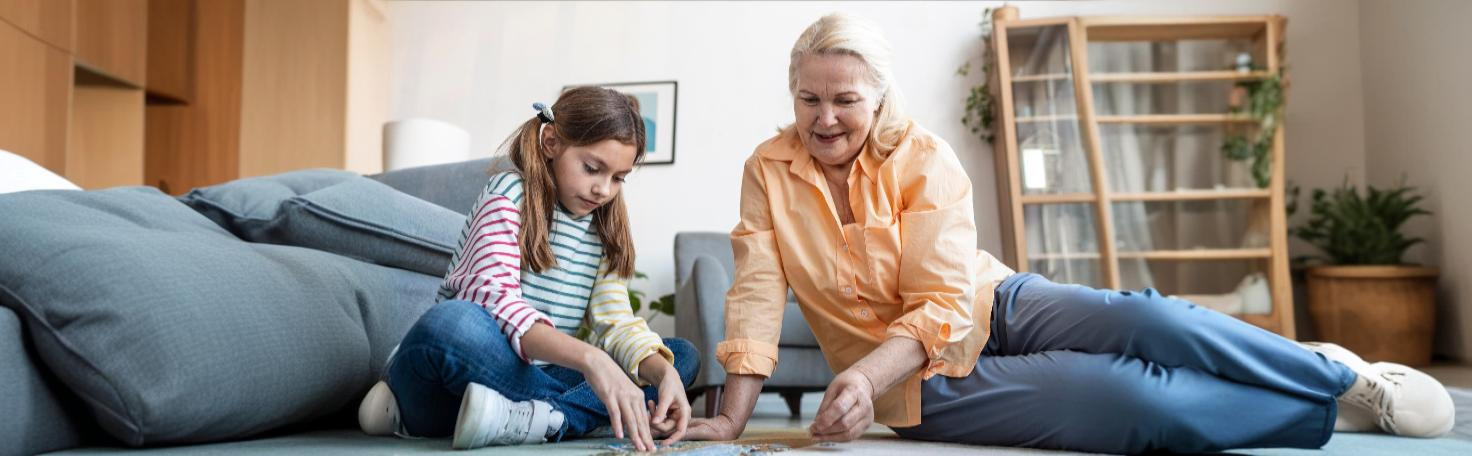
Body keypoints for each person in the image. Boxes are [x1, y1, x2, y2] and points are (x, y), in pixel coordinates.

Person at [685, 13, 1455, 454]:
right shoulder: (769, 167)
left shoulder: (924, 157)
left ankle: (1333, 373)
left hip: (987, 304)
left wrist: (861, 372)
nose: (823, 119)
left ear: (878, 99)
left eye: (843, 100)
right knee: (1126, 403)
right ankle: (1322, 409)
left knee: (1144, 319)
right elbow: (756, 290)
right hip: (918, 385)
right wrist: (733, 415)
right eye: (807, 98)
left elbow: (946, 297)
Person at [356, 86, 698, 452]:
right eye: (592, 168)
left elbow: (616, 323)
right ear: (551, 142)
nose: (603, 190)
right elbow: (493, 304)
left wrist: (663, 374)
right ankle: (563, 416)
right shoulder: (508, 193)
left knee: (678, 358)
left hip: (530, 377)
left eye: (618, 178)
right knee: (452, 322)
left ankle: (537, 419)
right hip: (457, 379)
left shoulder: (603, 228)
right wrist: (592, 360)